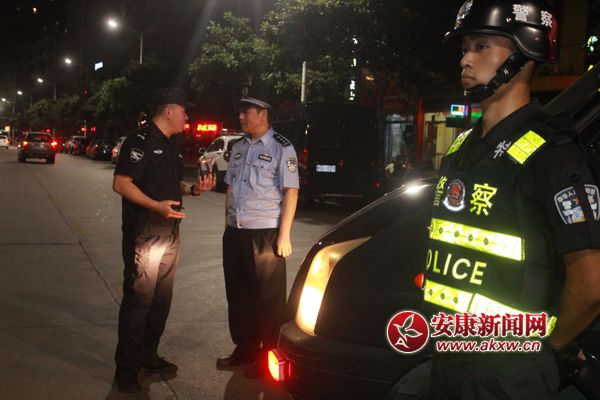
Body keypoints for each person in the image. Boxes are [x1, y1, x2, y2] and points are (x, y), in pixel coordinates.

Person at [422, 1, 600, 399]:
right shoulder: (463, 148)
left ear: (523, 56)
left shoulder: (553, 155)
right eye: (464, 48)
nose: (465, 59)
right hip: (452, 353)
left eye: (482, 46)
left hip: (511, 372)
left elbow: (591, 284)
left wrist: (547, 350)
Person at [113, 87, 215, 392]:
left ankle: (148, 355)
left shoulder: (171, 145)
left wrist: (193, 190)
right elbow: (121, 183)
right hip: (145, 232)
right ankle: (127, 370)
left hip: (170, 233)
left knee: (161, 299)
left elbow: (169, 184)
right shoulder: (140, 141)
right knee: (139, 300)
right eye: (184, 110)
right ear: (169, 111)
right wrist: (155, 206)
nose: (187, 116)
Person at [216, 93, 299, 379]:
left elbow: (291, 191)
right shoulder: (238, 146)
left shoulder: (282, 148)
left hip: (265, 233)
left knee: (268, 301)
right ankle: (245, 350)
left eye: (246, 112)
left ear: (263, 113)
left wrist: (284, 235)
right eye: (240, 112)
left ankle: (268, 359)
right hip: (236, 231)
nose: (241, 117)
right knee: (238, 295)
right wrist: (228, 224)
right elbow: (230, 186)